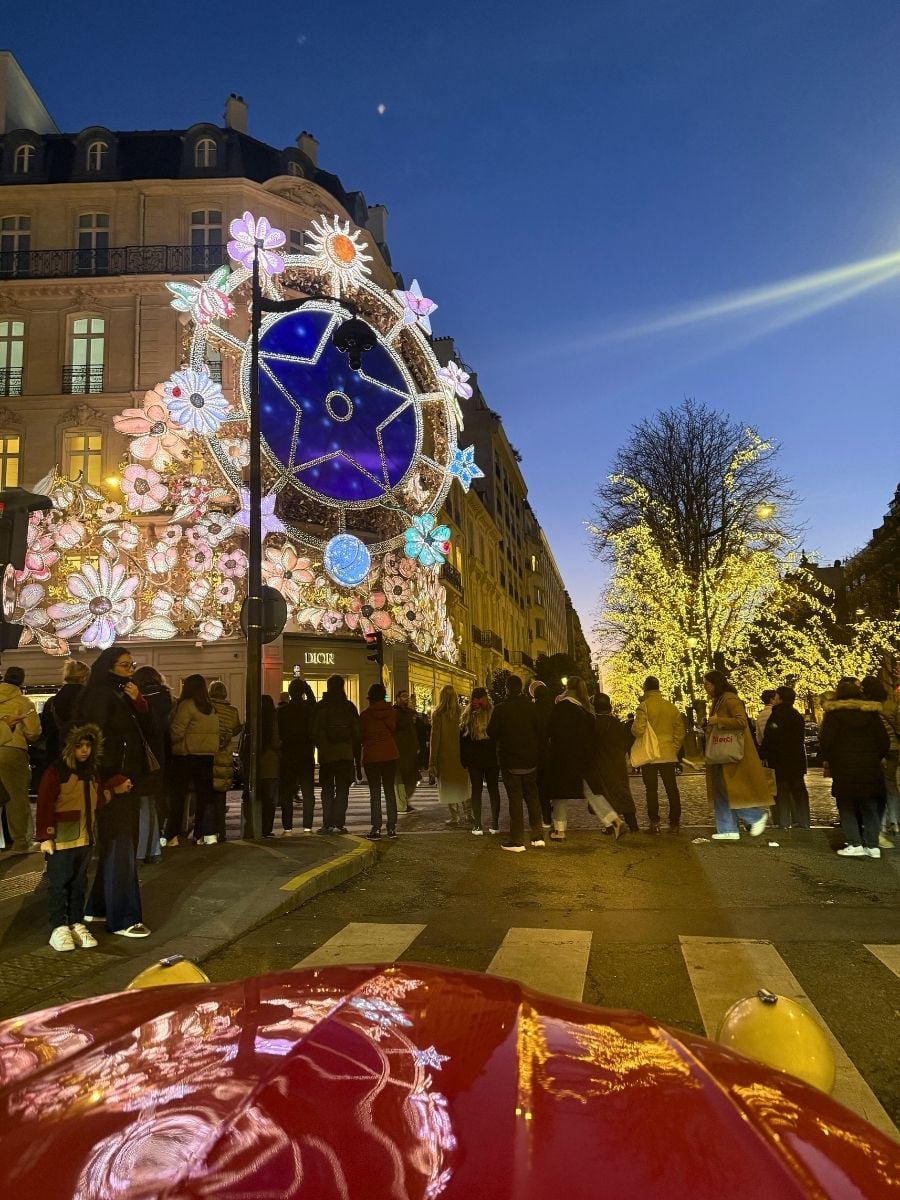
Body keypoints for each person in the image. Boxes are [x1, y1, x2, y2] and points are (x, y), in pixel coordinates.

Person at [75, 646, 153, 937]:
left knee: (115, 845)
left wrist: (140, 704)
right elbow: (94, 742)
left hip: (124, 781)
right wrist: (110, 781)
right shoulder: (102, 697)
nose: (130, 671)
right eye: (123, 666)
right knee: (121, 846)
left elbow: (149, 734)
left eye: (131, 665)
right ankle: (124, 917)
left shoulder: (120, 696)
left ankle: (97, 907)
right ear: (108, 667)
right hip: (115, 783)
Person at [36, 724, 131, 952]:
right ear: (69, 748)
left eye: (88, 746)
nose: (84, 750)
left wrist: (113, 789)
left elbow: (96, 800)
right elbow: (45, 804)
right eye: (79, 746)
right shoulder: (56, 772)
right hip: (62, 839)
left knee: (79, 883)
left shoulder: (91, 773)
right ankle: (58, 926)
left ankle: (75, 922)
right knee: (59, 884)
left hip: (85, 838)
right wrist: (45, 836)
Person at [820, 678, 890, 858]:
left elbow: (826, 742)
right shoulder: (871, 713)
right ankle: (873, 845)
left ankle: (854, 843)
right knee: (870, 805)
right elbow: (884, 741)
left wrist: (831, 759)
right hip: (869, 767)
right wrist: (874, 757)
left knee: (846, 805)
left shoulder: (833, 715)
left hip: (843, 767)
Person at [703, 670, 770, 841]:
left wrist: (719, 721)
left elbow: (741, 721)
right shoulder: (719, 700)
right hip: (722, 752)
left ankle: (754, 816)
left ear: (716, 683)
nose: (705, 687)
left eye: (708, 684)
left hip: (731, 752)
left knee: (729, 789)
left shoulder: (730, 699)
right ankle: (727, 828)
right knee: (721, 790)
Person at [487, 674, 543, 852]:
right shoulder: (531, 707)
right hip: (530, 759)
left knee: (515, 799)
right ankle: (537, 835)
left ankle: (517, 839)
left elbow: (491, 732)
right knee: (532, 797)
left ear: (506, 688)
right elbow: (540, 730)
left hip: (510, 759)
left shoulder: (501, 709)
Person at [165, 674, 219, 847]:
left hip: (186, 757)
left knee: (178, 797)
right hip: (207, 756)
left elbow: (177, 731)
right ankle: (202, 833)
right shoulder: (211, 708)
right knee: (205, 796)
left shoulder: (187, 706)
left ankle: (172, 834)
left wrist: (167, 743)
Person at [631, 676, 685, 835]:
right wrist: (673, 748)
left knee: (651, 789)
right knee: (672, 789)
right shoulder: (672, 707)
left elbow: (638, 730)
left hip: (650, 754)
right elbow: (680, 732)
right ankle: (674, 823)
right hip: (667, 753)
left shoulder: (644, 706)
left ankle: (654, 822)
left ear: (645, 688)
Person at [547, 677, 599, 841]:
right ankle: (613, 820)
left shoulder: (559, 709)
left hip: (561, 757)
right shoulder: (586, 712)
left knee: (559, 795)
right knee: (591, 792)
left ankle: (560, 830)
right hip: (582, 758)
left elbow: (547, 730)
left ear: (567, 688)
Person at [132, 666, 173, 863]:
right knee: (152, 802)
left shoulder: (139, 701)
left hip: (142, 756)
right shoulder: (168, 700)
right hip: (161, 757)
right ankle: (154, 847)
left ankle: (140, 851)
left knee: (141, 804)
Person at [0, 665, 42, 854]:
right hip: (13, 750)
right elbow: (33, 732)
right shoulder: (23, 702)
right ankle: (20, 842)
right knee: (16, 797)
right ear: (22, 681)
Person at [313, 675, 360, 834]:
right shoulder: (349, 707)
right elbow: (357, 733)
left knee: (326, 789)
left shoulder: (321, 706)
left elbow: (314, 732)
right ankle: (339, 824)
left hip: (326, 755)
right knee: (342, 789)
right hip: (345, 755)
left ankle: (327, 823)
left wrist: (321, 746)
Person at [587, 694, 637, 833]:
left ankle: (612, 826)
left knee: (603, 795)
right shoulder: (616, 723)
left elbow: (590, 745)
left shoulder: (593, 723)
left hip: (600, 764)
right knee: (622, 793)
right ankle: (633, 825)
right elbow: (625, 742)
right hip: (617, 762)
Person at [760, 686, 810, 829]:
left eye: (776, 697)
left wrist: (764, 753)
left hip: (780, 759)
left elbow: (770, 736)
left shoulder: (776, 715)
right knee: (799, 791)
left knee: (782, 791)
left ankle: (783, 821)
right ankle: (803, 820)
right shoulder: (796, 715)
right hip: (796, 759)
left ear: (780, 699)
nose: (774, 699)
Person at [860, 676, 899, 841]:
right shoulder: (891, 705)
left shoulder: (867, 707)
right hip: (894, 748)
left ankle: (880, 823)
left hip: (875, 750)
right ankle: (896, 821)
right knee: (891, 786)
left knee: (876, 787)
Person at [360, 682, 399, 839]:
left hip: (372, 756)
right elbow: (395, 729)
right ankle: (392, 827)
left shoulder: (365, 715)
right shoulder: (391, 713)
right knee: (390, 790)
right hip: (390, 754)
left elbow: (362, 736)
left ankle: (376, 827)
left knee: (375, 793)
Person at [460, 687, 501, 835]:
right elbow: (463, 739)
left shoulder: (491, 713)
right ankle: (480, 824)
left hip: (486, 757)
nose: (478, 701)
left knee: (489, 789)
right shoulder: (469, 714)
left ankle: (490, 824)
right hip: (478, 757)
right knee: (481, 790)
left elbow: (498, 735)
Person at [277, 678, 315, 834]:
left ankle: (287, 826)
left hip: (288, 754)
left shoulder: (283, 711)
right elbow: (313, 700)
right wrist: (307, 687)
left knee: (287, 793)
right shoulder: (308, 708)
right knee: (307, 792)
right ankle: (307, 825)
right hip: (306, 753)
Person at [429, 685, 470, 825]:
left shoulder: (438, 714)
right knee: (463, 784)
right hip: (461, 756)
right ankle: (469, 814)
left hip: (445, 756)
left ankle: (455, 817)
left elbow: (435, 739)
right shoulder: (462, 712)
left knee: (449, 786)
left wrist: (432, 762)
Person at [208, 680, 242, 842]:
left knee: (206, 798)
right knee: (220, 798)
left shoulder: (207, 709)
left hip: (208, 756)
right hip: (224, 757)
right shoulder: (232, 712)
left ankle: (207, 833)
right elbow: (236, 729)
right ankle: (221, 832)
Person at [41, 660, 89, 765]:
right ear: (84, 678)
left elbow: (45, 730)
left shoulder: (52, 702)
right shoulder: (90, 699)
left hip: (57, 752)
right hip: (85, 753)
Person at [529, 680, 555, 829]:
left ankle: (543, 815)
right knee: (549, 784)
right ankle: (550, 813)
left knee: (539, 785)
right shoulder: (554, 709)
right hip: (551, 751)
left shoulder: (532, 709)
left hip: (537, 752)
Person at [393, 689, 421, 814]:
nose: (406, 698)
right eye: (403, 696)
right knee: (401, 778)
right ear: (397, 698)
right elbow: (400, 725)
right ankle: (402, 803)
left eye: (407, 696)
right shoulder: (395, 711)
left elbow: (418, 729)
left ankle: (405, 800)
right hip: (400, 748)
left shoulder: (411, 712)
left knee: (412, 779)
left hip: (411, 748)